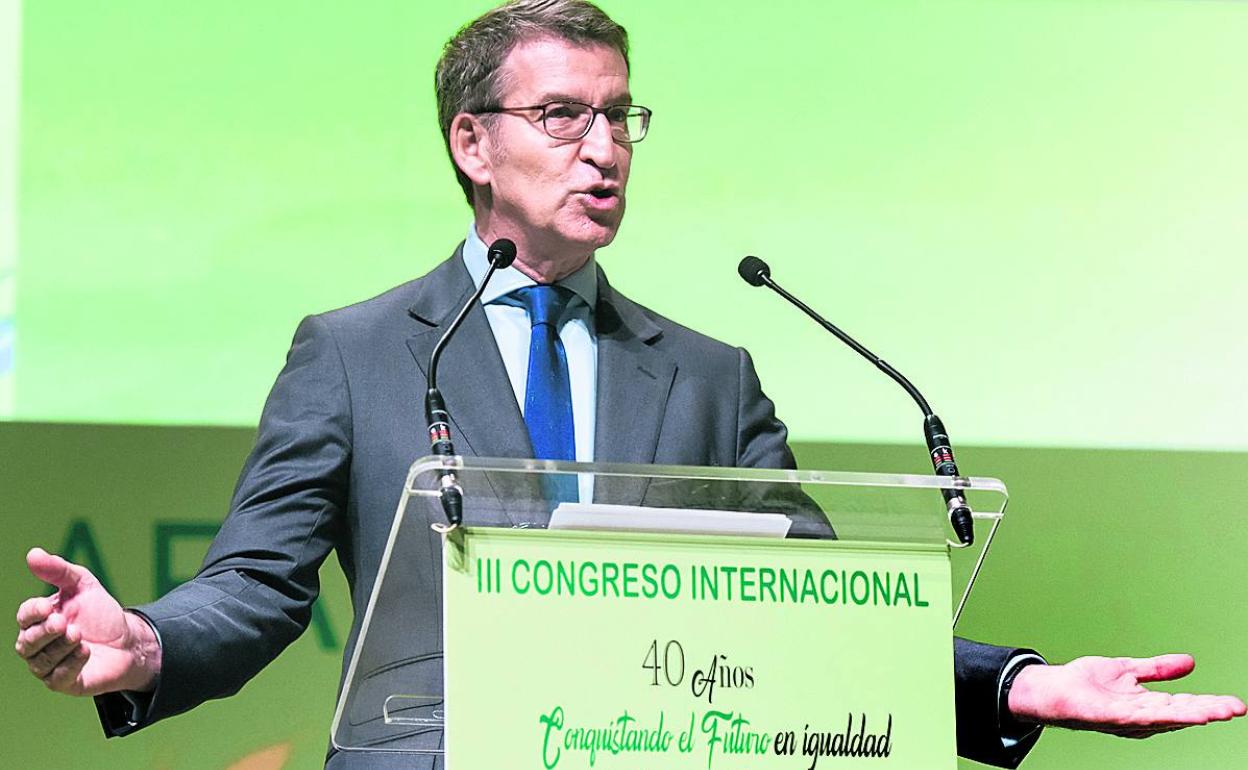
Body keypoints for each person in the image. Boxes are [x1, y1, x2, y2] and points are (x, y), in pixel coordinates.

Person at [14, 2, 1245, 768]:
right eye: (563, 116)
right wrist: (142, 642)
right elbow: (258, 584)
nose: (604, 149)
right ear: (471, 143)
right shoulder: (359, 350)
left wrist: (1017, 682)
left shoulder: (712, 374)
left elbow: (824, 613)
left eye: (620, 118)